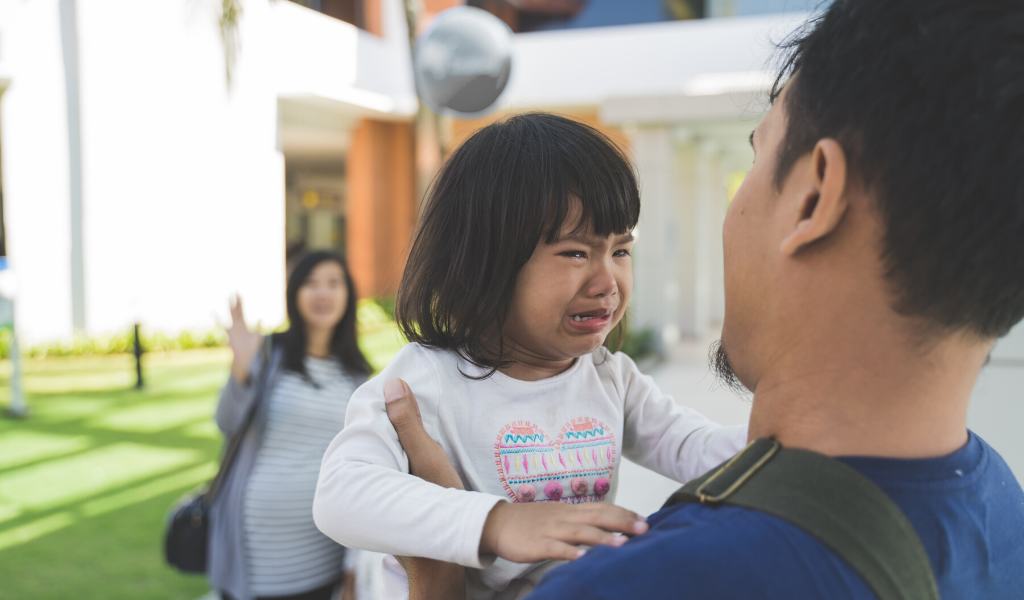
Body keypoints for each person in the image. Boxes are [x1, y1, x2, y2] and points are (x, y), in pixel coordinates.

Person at [385, 1, 1024, 597]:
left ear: (813, 195)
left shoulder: (646, 580)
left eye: (757, 157)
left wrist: (439, 578)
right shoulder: (1003, 508)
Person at [311, 113, 748, 600]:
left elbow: (700, 449)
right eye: (575, 253)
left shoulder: (609, 378)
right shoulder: (426, 380)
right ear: (485, 263)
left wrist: (803, 435)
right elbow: (339, 495)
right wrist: (496, 523)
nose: (608, 283)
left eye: (620, 250)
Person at [209, 251, 372, 600]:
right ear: (294, 294)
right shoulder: (269, 354)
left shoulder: (358, 375)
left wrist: (355, 563)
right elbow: (226, 422)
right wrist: (240, 369)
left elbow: (364, 466)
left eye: (333, 283)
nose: (322, 293)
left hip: (323, 545)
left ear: (348, 295)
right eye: (310, 283)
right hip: (257, 546)